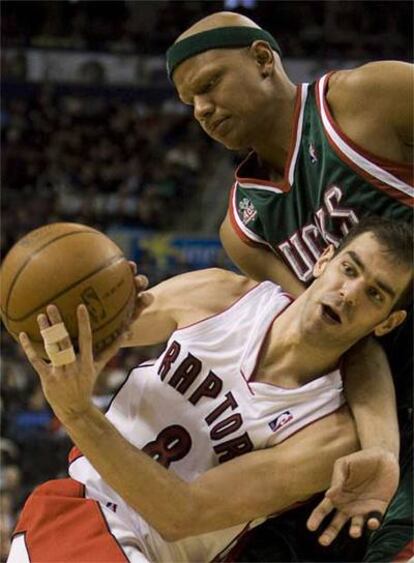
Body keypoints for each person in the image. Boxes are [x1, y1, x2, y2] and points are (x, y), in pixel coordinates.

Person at [7, 218, 413, 562]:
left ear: (387, 323)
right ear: (324, 260)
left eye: (374, 293)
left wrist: (79, 414)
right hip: (83, 512)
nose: (350, 293)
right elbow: (95, 334)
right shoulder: (220, 296)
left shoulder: (329, 434)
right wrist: (88, 303)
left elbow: (181, 514)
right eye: (349, 268)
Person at [166, 12, 413, 562]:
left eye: (209, 85)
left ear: (262, 58)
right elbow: (345, 344)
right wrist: (381, 445)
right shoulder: (242, 227)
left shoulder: (368, 100)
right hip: (378, 413)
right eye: (190, 102)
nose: (202, 109)